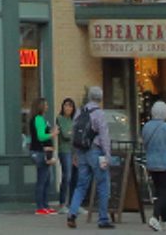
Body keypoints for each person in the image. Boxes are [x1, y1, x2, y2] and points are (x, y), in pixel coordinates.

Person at [65, 86, 113, 229]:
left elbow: (74, 133)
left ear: (89, 97)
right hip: (95, 151)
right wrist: (107, 154)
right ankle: (103, 218)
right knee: (103, 184)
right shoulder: (99, 114)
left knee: (81, 185)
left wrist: (74, 153)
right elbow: (104, 136)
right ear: (100, 99)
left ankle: (72, 213)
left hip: (81, 152)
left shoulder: (80, 111)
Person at [138, 101, 166, 232]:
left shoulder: (146, 127)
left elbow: (144, 144)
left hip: (151, 163)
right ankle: (155, 217)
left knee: (159, 190)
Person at [28, 97, 58, 215]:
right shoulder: (39, 119)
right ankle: (40, 206)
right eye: (45, 105)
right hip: (40, 152)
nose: (47, 107)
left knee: (46, 179)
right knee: (43, 180)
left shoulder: (37, 119)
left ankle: (45, 205)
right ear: (40, 106)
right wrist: (53, 134)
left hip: (39, 151)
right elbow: (41, 136)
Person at [57, 97, 80, 213]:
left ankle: (73, 203)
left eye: (70, 106)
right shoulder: (60, 118)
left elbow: (77, 134)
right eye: (66, 106)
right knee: (67, 176)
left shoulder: (74, 120)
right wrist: (72, 134)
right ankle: (62, 203)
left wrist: (73, 134)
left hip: (74, 151)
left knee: (75, 177)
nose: (68, 108)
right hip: (64, 150)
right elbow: (66, 134)